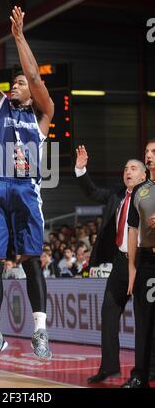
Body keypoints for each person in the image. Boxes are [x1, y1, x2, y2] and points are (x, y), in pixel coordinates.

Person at [0, 0, 54, 364]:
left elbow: (36, 77)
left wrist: (20, 36)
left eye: (22, 82)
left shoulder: (44, 115)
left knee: (31, 261)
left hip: (26, 188)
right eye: (16, 81)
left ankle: (40, 330)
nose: (19, 84)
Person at [75, 145, 151, 383]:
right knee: (108, 312)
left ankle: (146, 370)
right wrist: (80, 168)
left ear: (144, 176)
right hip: (120, 262)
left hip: (144, 261)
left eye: (134, 168)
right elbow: (92, 192)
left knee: (144, 320)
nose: (128, 171)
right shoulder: (117, 195)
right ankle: (109, 366)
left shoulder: (152, 194)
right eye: (126, 168)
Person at [121, 139, 155, 388]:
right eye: (147, 152)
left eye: (153, 151)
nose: (149, 155)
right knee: (144, 320)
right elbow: (132, 230)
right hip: (148, 260)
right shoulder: (141, 190)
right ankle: (139, 375)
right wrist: (132, 267)